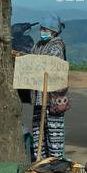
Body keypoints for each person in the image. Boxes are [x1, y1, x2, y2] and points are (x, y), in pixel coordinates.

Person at [30, 15, 68, 160]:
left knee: (53, 130)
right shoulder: (38, 44)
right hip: (39, 95)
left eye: (45, 29)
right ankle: (40, 159)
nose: (42, 31)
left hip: (53, 97)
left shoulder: (57, 45)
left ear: (53, 31)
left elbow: (51, 65)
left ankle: (55, 161)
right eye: (42, 29)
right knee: (38, 129)